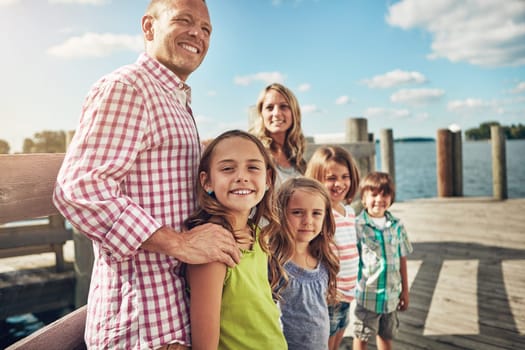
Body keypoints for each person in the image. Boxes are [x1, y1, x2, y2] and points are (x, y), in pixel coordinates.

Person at [52, 1, 240, 349]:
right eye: (184, 21)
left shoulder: (175, 99)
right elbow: (79, 189)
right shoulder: (130, 88)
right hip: (142, 326)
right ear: (149, 27)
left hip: (171, 315)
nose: (197, 34)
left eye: (206, 29)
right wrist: (180, 243)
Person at [184, 130, 287, 350]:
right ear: (207, 182)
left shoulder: (256, 234)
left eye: (253, 167)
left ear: (267, 179)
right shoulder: (212, 250)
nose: (242, 177)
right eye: (227, 169)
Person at [268, 177, 340, 350]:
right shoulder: (275, 264)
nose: (308, 220)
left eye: (316, 213)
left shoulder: (323, 259)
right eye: (297, 212)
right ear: (281, 213)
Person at [305, 146, 361, 350]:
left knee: (338, 338)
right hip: (329, 296)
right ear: (316, 180)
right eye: (331, 178)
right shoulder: (320, 215)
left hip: (348, 293)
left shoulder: (349, 211)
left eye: (345, 177)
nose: (339, 184)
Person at [352, 172, 413, 350]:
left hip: (391, 296)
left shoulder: (397, 226)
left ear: (391, 198)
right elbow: (352, 261)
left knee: (386, 335)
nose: (380, 199)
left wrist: (405, 292)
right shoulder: (358, 226)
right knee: (361, 336)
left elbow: (402, 259)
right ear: (363, 199)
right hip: (368, 296)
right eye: (374, 194)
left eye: (385, 194)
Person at [249, 83, 307, 187]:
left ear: (294, 113)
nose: (276, 113)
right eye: (269, 108)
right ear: (261, 114)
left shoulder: (298, 158)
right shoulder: (254, 152)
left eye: (283, 107)